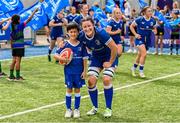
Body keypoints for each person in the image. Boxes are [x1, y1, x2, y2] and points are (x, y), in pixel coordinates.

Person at [79, 17, 117, 117]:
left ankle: (108, 108)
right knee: (91, 81)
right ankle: (95, 107)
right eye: (84, 27)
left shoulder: (101, 33)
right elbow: (72, 41)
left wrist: (110, 62)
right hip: (96, 57)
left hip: (109, 56)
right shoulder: (82, 35)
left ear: (93, 25)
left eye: (89, 26)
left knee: (106, 79)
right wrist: (62, 46)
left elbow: (114, 48)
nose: (87, 28)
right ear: (82, 28)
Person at [54, 22, 88, 118]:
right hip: (69, 72)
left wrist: (85, 71)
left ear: (78, 33)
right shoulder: (64, 45)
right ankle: (68, 109)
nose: (73, 34)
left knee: (77, 90)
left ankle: (76, 109)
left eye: (75, 32)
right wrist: (61, 59)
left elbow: (85, 59)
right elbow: (55, 55)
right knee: (69, 90)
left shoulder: (82, 45)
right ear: (68, 33)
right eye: (71, 32)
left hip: (79, 72)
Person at [8, 8, 39, 81]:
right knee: (18, 61)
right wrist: (34, 11)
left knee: (14, 60)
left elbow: (11, 39)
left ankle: (11, 76)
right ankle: (18, 77)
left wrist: (11, 47)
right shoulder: (21, 25)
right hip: (20, 46)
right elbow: (29, 19)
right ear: (18, 20)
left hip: (14, 46)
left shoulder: (11, 27)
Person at [130, 6, 157, 78]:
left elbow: (154, 28)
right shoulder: (139, 19)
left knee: (140, 55)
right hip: (139, 39)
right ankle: (141, 71)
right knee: (144, 54)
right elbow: (131, 26)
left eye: (151, 11)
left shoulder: (153, 20)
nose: (150, 12)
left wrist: (155, 31)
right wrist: (135, 34)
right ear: (144, 12)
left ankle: (133, 68)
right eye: (149, 11)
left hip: (147, 40)